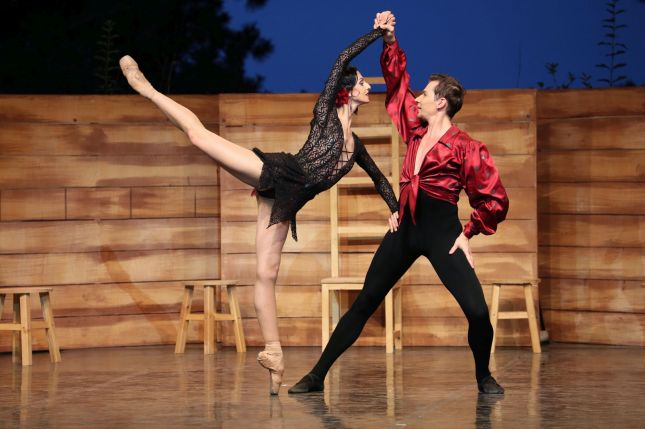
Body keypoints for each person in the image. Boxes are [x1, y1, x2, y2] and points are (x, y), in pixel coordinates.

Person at [119, 20, 399, 395]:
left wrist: (394, 207)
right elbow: (342, 58)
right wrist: (378, 34)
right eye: (362, 82)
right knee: (199, 136)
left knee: (266, 274)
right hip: (278, 173)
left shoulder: (356, 146)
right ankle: (148, 89)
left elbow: (379, 178)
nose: (367, 87)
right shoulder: (324, 113)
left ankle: (274, 354)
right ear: (345, 91)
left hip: (287, 200)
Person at [289, 11, 509, 395]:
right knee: (365, 301)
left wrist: (469, 232)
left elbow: (494, 199)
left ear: (441, 103)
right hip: (405, 229)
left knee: (477, 310)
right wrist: (389, 40)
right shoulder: (415, 129)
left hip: (443, 234)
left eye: (426, 93)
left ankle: (483, 377)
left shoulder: (466, 147)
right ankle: (316, 375)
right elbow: (396, 84)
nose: (418, 97)